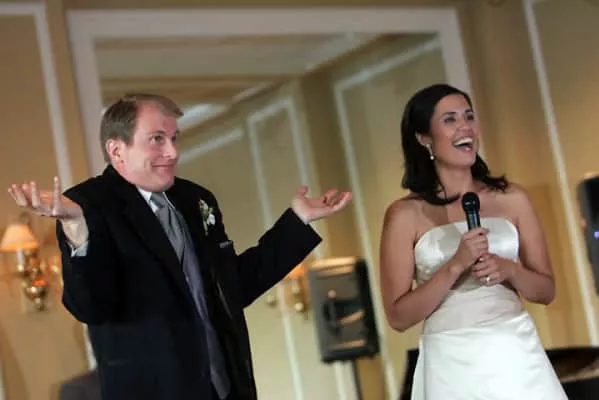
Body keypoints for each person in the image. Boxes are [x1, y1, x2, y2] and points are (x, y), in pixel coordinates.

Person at [8, 93, 352, 400]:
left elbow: (234, 287)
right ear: (116, 150)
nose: (172, 152)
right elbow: (91, 307)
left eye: (174, 138)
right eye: (157, 139)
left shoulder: (196, 199)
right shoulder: (87, 205)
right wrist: (76, 228)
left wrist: (297, 221)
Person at [379, 83, 567, 399]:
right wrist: (455, 266)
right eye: (450, 119)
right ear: (424, 138)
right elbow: (398, 317)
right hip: (451, 363)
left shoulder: (513, 198)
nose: (465, 126)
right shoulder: (404, 214)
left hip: (515, 354)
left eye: (468, 116)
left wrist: (510, 270)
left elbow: (547, 291)